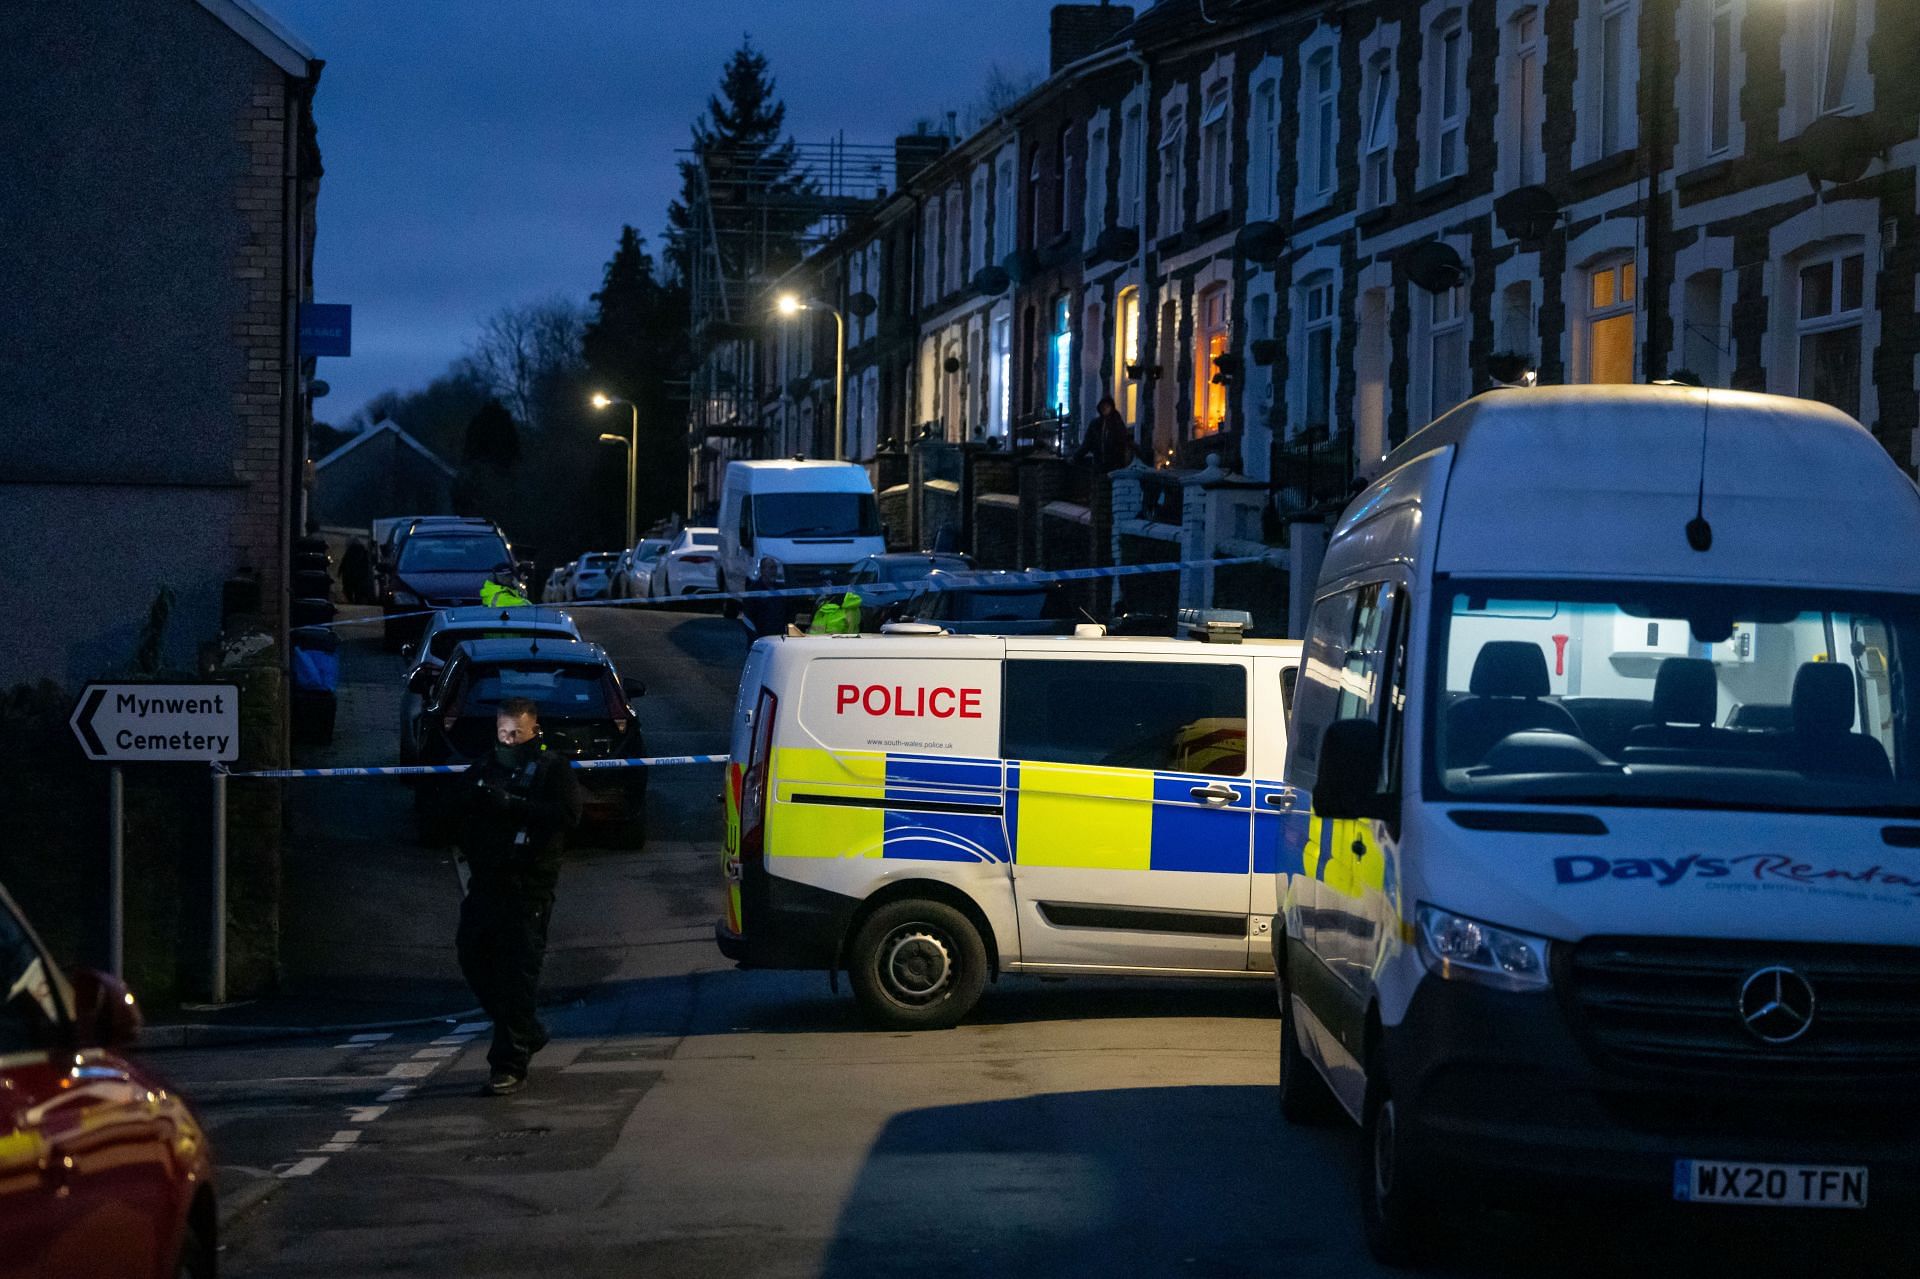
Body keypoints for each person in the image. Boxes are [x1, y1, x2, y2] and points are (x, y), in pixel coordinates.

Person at [455, 696, 582, 1095]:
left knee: (516, 975)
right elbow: (458, 810)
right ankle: (526, 1030)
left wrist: (515, 805)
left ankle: (508, 1064)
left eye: (516, 734)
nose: (508, 741)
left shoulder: (552, 768)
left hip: (528, 887)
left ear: (534, 730)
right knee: (472, 955)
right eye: (502, 734)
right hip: (488, 882)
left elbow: (566, 817)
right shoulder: (486, 766)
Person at [1074, 396, 1148, 472]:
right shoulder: (1095, 424)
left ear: (1111, 407)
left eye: (1107, 406)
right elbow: (1087, 443)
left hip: (1115, 465)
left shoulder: (1117, 423)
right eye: (1103, 406)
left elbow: (1125, 439)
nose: (1105, 408)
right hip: (1100, 464)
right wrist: (1076, 456)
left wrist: (1141, 455)